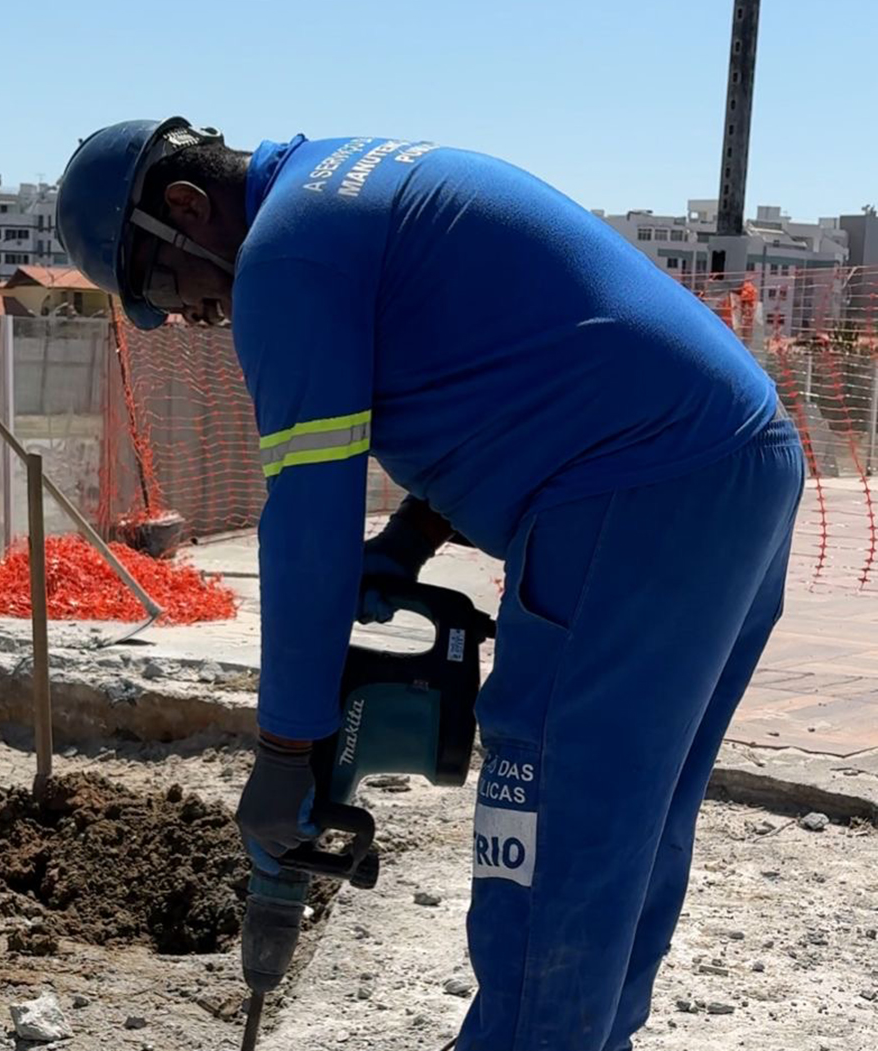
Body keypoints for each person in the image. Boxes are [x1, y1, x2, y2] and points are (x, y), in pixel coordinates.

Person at [55, 119, 803, 1051]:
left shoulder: (286, 257)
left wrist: (287, 752)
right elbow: (515, 370)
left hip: (634, 490)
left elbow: (309, 519)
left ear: (185, 208)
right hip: (736, 462)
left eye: (159, 283)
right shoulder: (343, 182)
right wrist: (410, 537)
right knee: (625, 825)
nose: (179, 314)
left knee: (550, 812)